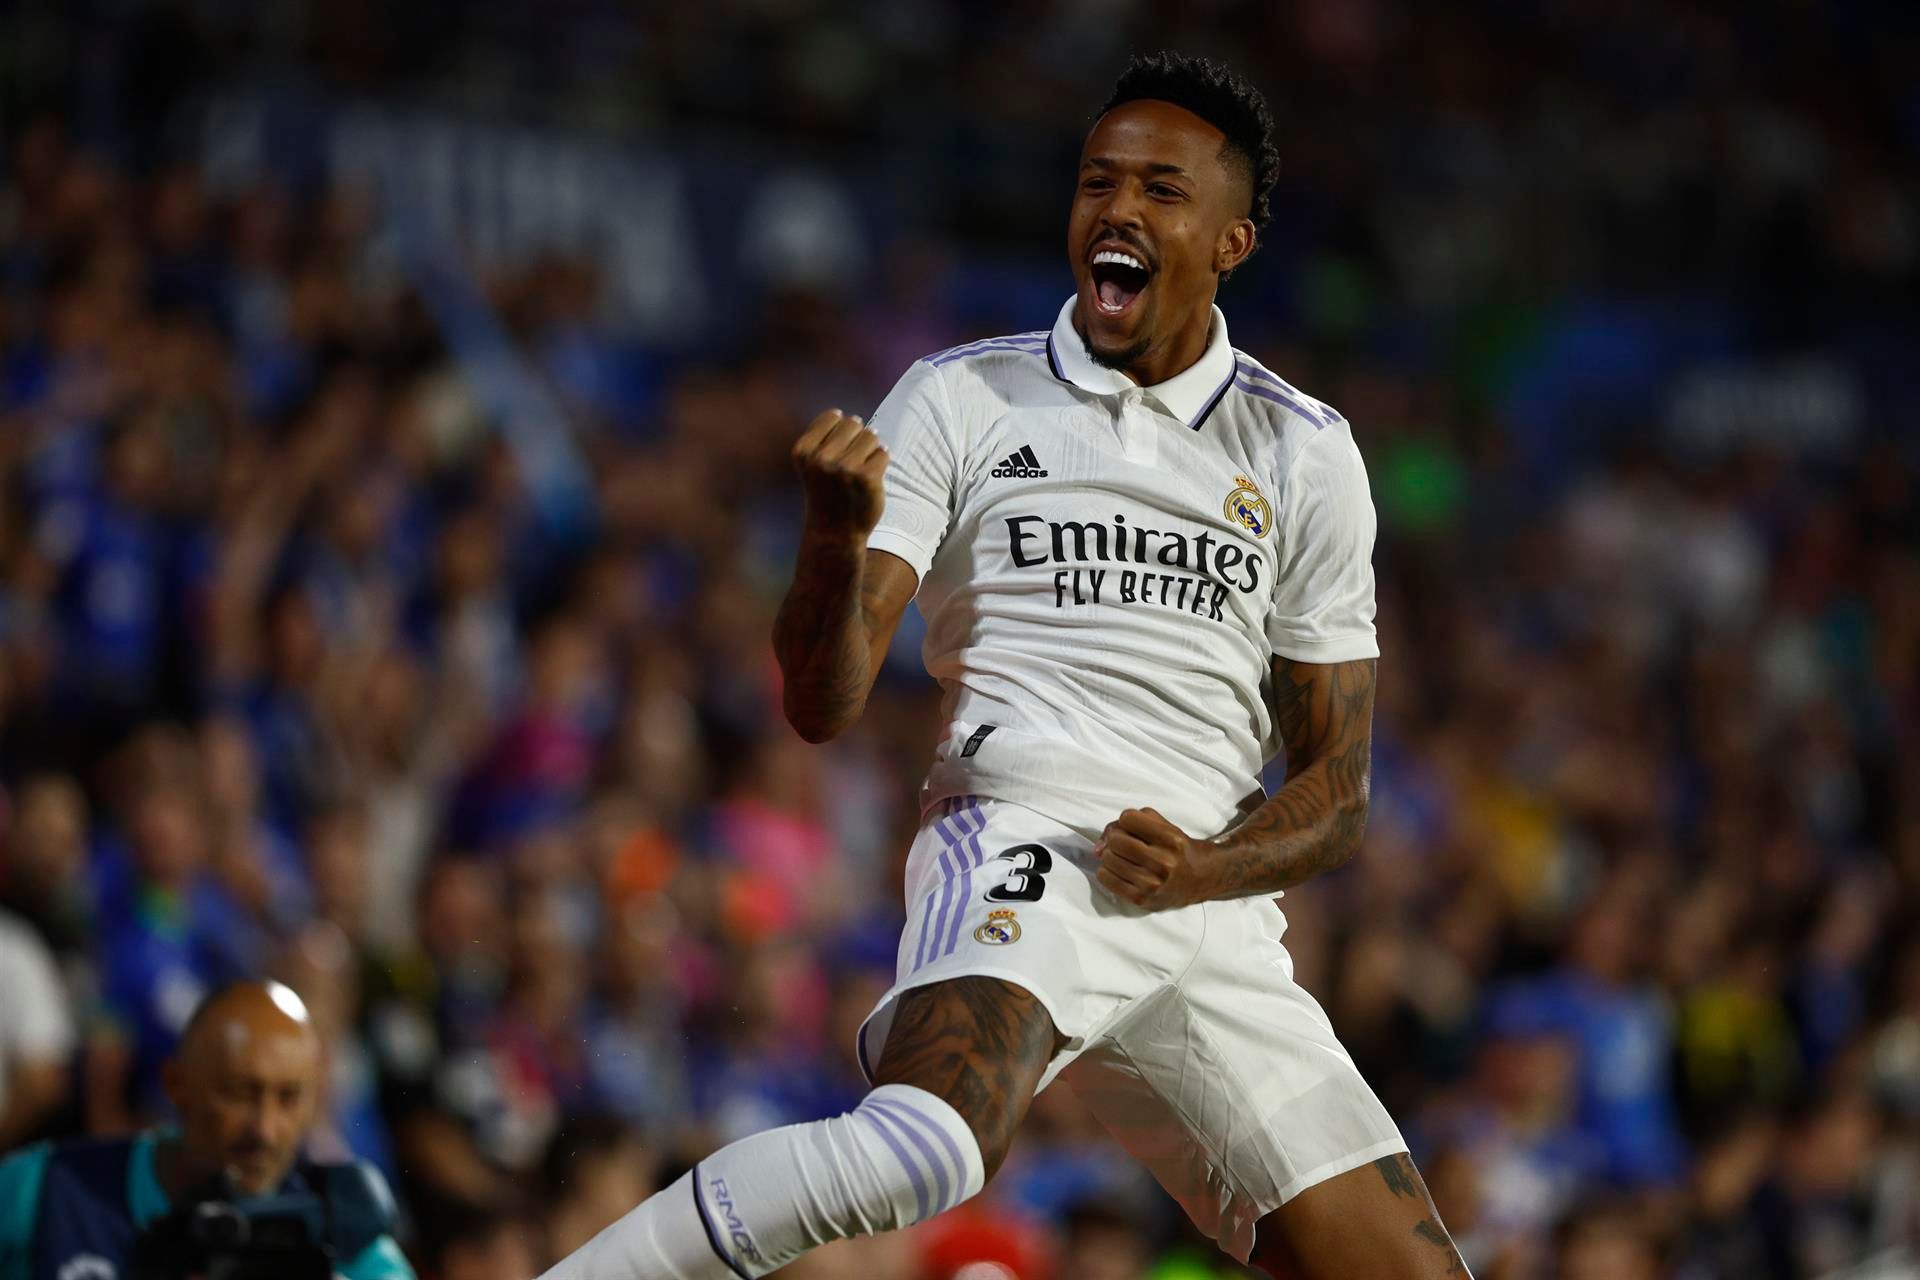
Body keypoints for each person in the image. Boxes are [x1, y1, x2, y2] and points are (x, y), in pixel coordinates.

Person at [541, 51, 1469, 1279]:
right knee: (922, 1146)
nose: (1118, 209)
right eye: (1097, 181)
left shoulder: (1305, 453)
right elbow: (820, 704)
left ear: (1233, 241)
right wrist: (828, 544)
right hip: (1034, 829)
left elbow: (1337, 789)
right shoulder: (963, 396)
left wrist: (1210, 864)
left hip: (1213, 905)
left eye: (1160, 189)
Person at [0, 981, 413, 1280]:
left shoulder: (343, 1242)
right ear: (177, 1085)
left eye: (289, 1098)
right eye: (238, 1094)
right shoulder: (46, 1190)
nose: (264, 1130)